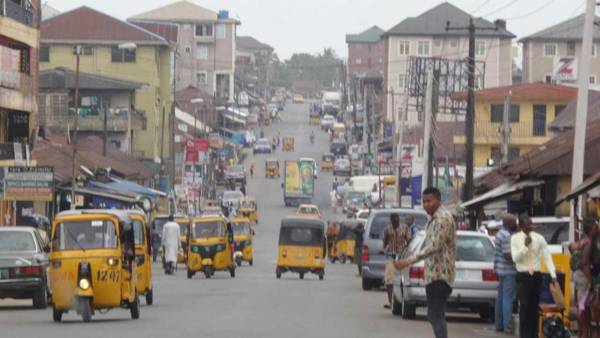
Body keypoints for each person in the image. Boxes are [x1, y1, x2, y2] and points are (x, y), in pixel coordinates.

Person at [395, 187, 456, 338]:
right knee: (433, 315)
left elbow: (434, 246)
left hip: (441, 275)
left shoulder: (442, 218)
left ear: (438, 200)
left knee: (436, 315)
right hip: (434, 275)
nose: (426, 204)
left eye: (430, 201)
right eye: (424, 201)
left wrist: (408, 261)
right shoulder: (433, 218)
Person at [511, 215, 557, 338]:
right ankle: (524, 335)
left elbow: (547, 256)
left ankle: (533, 334)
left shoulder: (539, 238)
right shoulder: (515, 239)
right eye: (527, 224)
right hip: (523, 276)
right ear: (521, 226)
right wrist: (525, 247)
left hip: (536, 276)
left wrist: (553, 274)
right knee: (524, 307)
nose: (530, 226)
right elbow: (515, 258)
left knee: (534, 307)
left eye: (531, 224)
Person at [570, 218, 598, 338]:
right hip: (583, 276)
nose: (598, 228)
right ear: (591, 230)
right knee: (582, 306)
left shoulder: (584, 239)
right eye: (596, 227)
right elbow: (585, 262)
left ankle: (584, 332)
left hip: (579, 275)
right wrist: (590, 281)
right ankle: (584, 333)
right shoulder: (589, 242)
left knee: (584, 305)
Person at [493, 215, 518, 334]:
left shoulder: (499, 233)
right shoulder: (506, 236)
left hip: (501, 269)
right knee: (507, 299)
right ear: (509, 223)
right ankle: (507, 326)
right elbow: (508, 255)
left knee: (501, 298)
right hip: (508, 270)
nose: (516, 224)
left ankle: (499, 324)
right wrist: (519, 259)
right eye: (514, 222)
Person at [382, 213, 411, 309]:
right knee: (389, 279)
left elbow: (409, 241)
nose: (394, 222)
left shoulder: (405, 228)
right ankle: (390, 301)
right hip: (391, 256)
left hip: (402, 256)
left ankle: (401, 300)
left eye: (396, 220)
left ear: (398, 220)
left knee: (401, 278)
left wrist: (407, 251)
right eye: (393, 220)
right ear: (390, 221)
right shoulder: (387, 229)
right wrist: (384, 249)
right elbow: (385, 241)